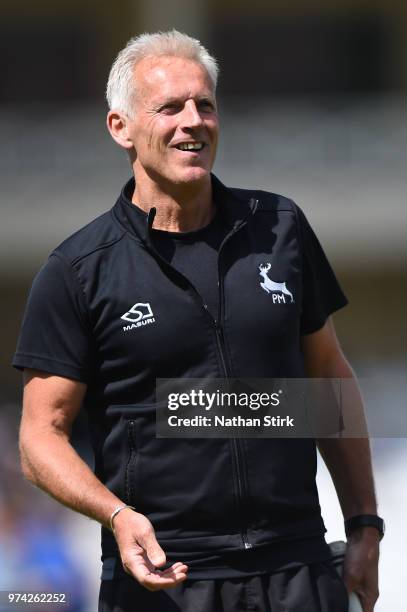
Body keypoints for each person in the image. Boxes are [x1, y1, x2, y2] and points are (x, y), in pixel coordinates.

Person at [13, 30, 383, 612]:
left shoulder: (280, 227)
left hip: (298, 568)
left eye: (204, 104)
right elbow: (40, 439)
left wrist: (364, 523)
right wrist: (115, 515)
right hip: (166, 576)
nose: (193, 121)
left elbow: (328, 380)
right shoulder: (77, 270)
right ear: (121, 128)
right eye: (170, 108)